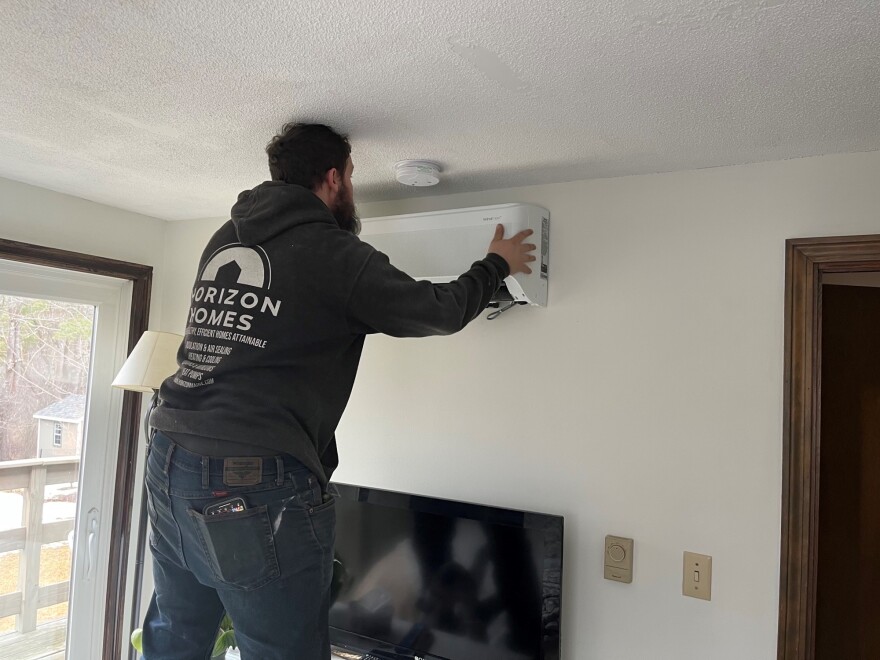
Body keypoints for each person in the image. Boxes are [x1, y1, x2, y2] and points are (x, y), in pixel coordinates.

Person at [142, 122, 535, 659]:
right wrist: (498, 263)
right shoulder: (332, 252)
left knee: (176, 636)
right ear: (333, 179)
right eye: (351, 175)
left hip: (169, 452)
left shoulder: (225, 238)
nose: (351, 187)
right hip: (252, 475)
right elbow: (438, 312)